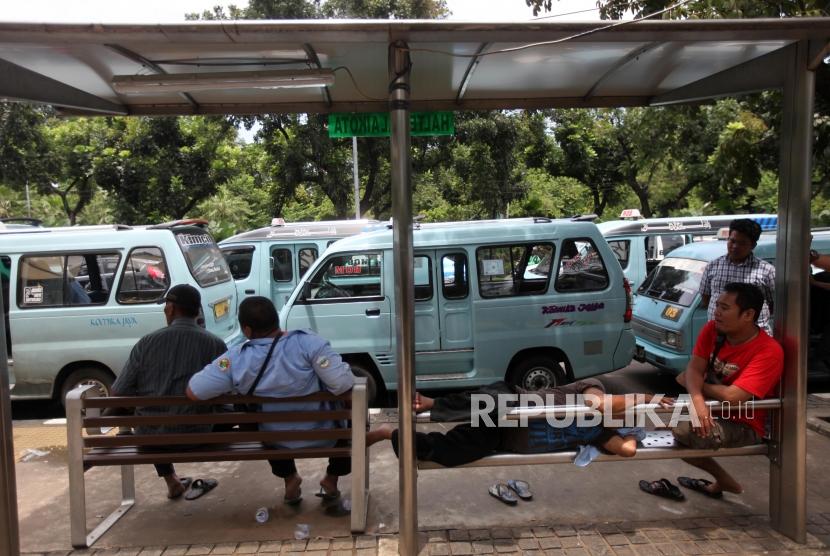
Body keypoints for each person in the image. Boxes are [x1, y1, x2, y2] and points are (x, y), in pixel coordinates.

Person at [186, 296, 354, 505]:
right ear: (277, 320)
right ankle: (331, 479)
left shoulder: (235, 358)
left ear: (246, 330)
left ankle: (290, 478)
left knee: (263, 420)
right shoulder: (309, 343)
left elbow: (194, 391)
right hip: (325, 435)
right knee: (352, 417)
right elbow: (343, 384)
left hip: (276, 441)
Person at [366, 379, 670, 468]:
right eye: (626, 410)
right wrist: (646, 397)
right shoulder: (594, 388)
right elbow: (600, 404)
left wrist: (632, 434)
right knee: (484, 404)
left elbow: (627, 450)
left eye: (625, 418)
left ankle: (387, 433)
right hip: (512, 401)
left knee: (445, 452)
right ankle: (433, 403)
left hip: (503, 438)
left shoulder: (600, 433)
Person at [111, 284, 227, 499]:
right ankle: (173, 481)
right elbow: (227, 391)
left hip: (151, 438)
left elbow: (119, 391)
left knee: (152, 417)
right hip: (198, 435)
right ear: (198, 311)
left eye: (166, 306)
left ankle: (171, 480)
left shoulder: (146, 343)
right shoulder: (215, 344)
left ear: (172, 309)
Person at [667, 282, 783, 498]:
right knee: (669, 428)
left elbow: (734, 397)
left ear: (748, 314)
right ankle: (724, 481)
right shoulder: (713, 329)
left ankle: (724, 481)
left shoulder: (768, 351)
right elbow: (694, 368)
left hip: (745, 423)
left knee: (683, 431)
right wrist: (698, 401)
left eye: (725, 308)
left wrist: (696, 385)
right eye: (717, 305)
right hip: (712, 409)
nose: (717, 312)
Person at [699, 218, 775, 334]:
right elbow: (706, 298)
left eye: (742, 243)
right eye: (732, 241)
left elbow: (774, 304)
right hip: (718, 333)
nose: (735, 246)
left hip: (753, 337)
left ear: (753, 245)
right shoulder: (713, 266)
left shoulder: (766, 270)